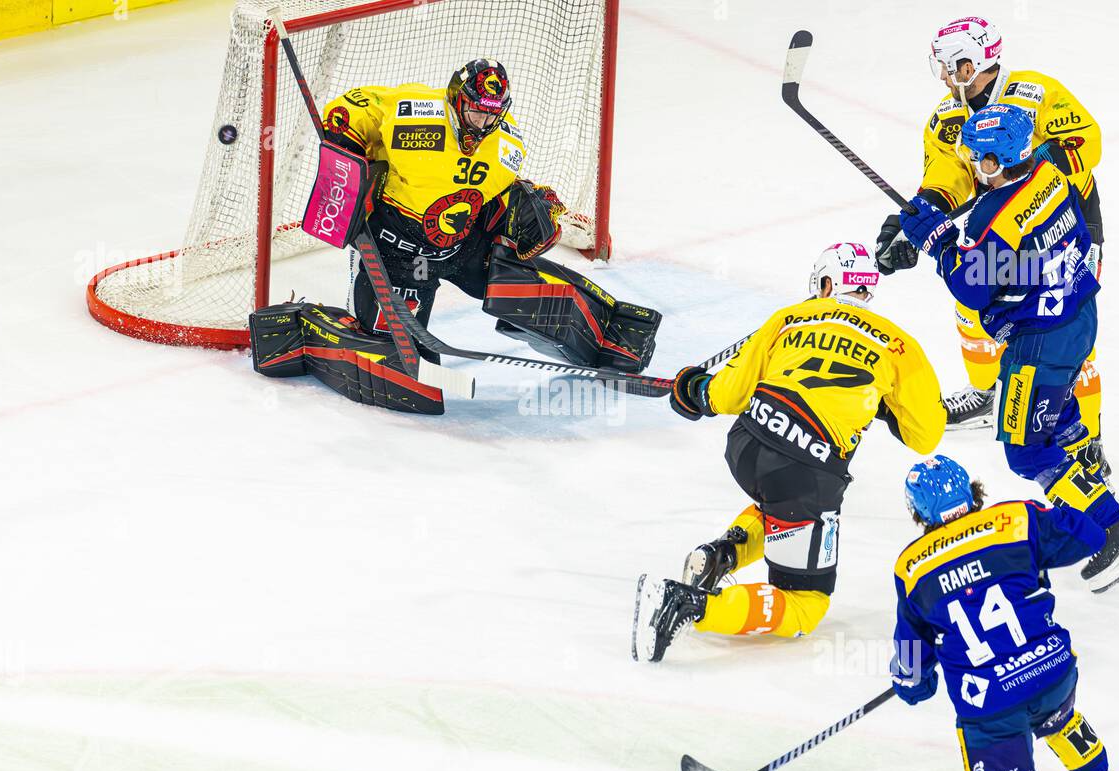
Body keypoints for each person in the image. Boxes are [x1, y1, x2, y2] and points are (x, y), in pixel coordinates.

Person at [631, 243, 946, 662]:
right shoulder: (900, 346)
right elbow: (926, 437)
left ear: (828, 283)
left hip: (745, 443)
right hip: (806, 471)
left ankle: (719, 555)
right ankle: (688, 607)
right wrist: (886, 406)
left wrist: (694, 389)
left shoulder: (788, 318)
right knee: (805, 605)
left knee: (781, 510)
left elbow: (727, 393)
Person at [898, 104, 1119, 593]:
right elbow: (1012, 243)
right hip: (1078, 319)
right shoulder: (1049, 171)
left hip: (1039, 342)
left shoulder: (999, 216)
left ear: (998, 160)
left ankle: (1114, 531)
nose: (975, 167)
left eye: (981, 160)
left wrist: (939, 243)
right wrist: (956, 233)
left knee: (1026, 450)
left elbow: (973, 286)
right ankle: (1100, 507)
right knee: (1060, 423)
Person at [875, 15, 1108, 481]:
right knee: (976, 310)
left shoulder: (1035, 93)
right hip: (999, 226)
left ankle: (1088, 435)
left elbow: (1087, 140)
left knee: (1063, 323)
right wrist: (914, 220)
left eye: (948, 67)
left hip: (1063, 223)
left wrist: (1022, 168)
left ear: (970, 64)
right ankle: (987, 393)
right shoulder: (946, 119)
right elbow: (946, 181)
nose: (942, 77)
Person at [320, 58, 659, 378]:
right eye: (476, 111)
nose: (482, 123)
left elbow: (502, 192)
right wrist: (343, 133)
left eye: (490, 115)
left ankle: (609, 341)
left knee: (530, 296)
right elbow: (355, 105)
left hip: (464, 248)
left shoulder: (506, 143)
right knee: (400, 359)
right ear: (456, 99)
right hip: (402, 255)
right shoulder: (414, 111)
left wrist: (529, 206)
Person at [891, 454, 1119, 771]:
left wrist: (912, 685)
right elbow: (1090, 536)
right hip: (1053, 671)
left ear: (919, 512)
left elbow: (911, 656)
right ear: (971, 492)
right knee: (1058, 717)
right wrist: (1034, 546)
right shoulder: (1016, 519)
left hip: (990, 702)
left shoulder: (912, 567)